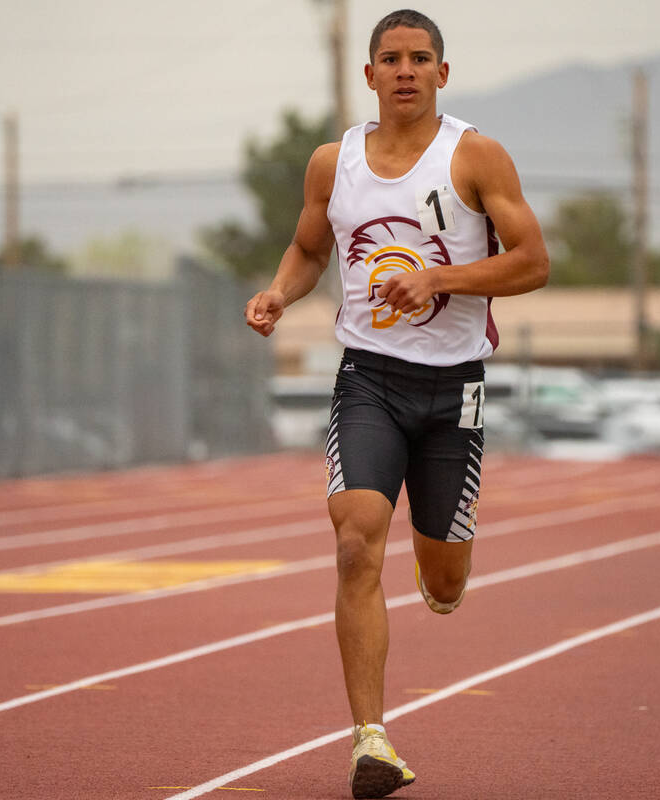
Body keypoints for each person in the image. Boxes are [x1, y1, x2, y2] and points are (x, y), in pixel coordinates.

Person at [244, 9, 549, 798]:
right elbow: (311, 248)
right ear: (370, 74)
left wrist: (439, 279)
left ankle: (437, 561)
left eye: (420, 59)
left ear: (442, 75)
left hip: (457, 388)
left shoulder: (475, 156)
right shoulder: (331, 163)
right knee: (354, 542)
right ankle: (370, 741)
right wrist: (279, 292)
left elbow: (533, 262)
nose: (405, 70)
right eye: (391, 58)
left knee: (444, 583)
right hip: (369, 379)